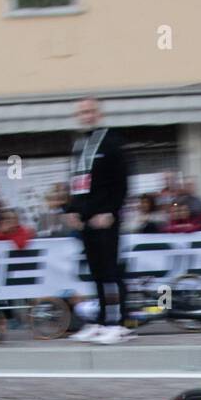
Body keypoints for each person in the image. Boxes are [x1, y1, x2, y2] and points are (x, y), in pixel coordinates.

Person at [65, 96, 130, 328]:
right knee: (96, 273)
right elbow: (77, 181)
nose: (86, 116)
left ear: (99, 114)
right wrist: (71, 209)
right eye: (82, 113)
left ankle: (119, 322)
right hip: (85, 222)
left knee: (111, 270)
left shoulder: (111, 141)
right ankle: (102, 320)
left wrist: (111, 211)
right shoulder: (79, 145)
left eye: (90, 112)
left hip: (105, 219)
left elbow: (122, 182)